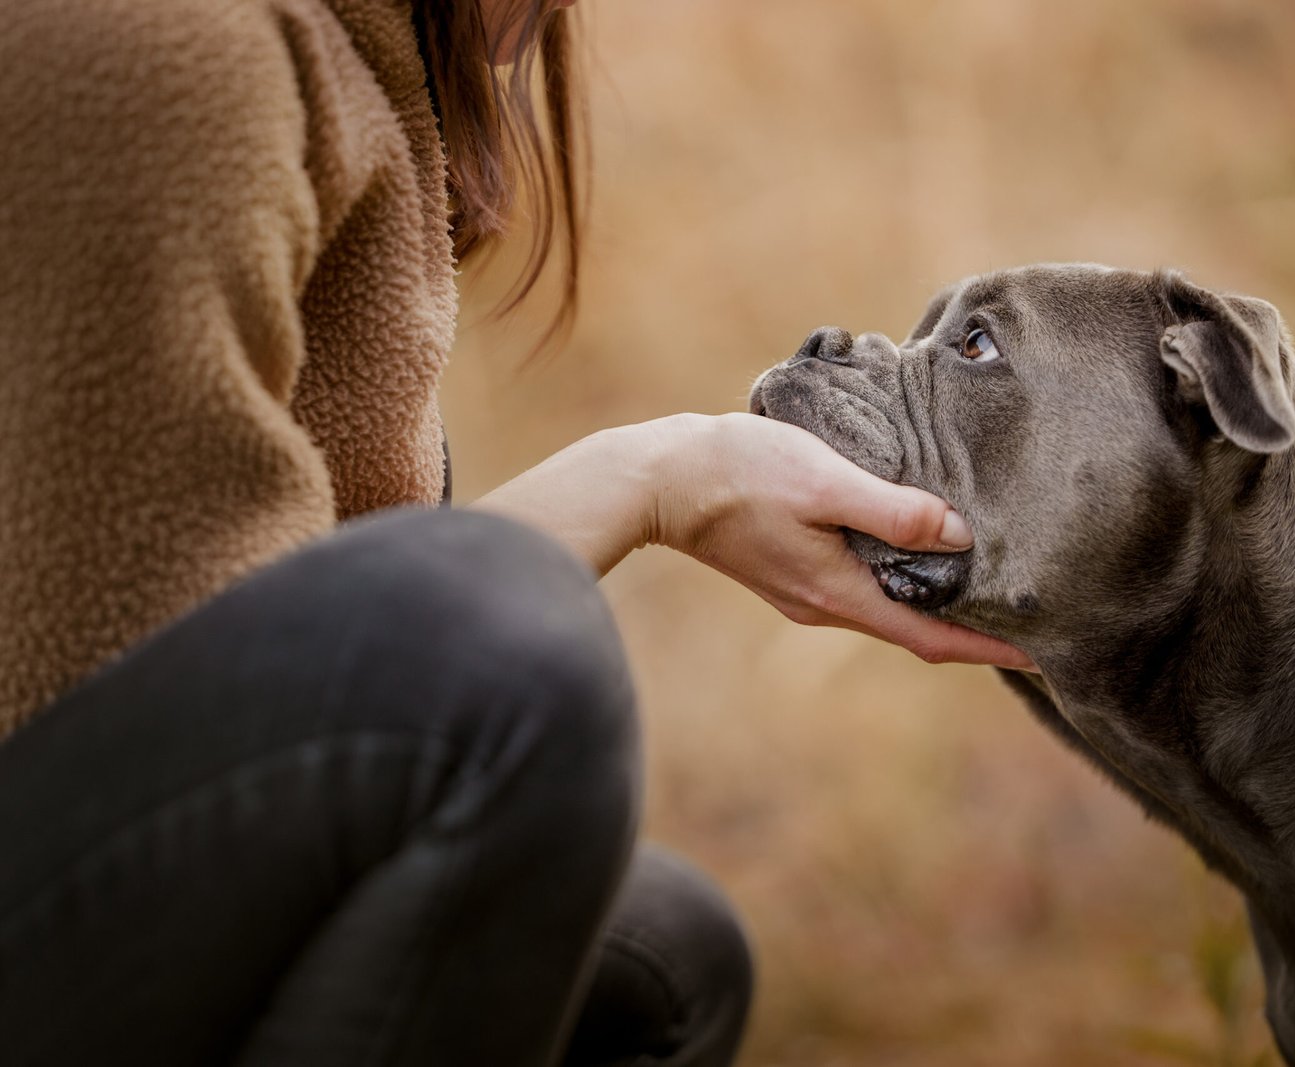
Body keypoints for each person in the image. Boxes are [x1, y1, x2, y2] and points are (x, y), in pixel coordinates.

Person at [0, 0, 1031, 1064]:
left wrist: (671, 474)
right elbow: (148, 706)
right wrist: (639, 483)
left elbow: (297, 685)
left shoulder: (351, 55)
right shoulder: (170, 47)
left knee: (666, 959)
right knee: (507, 669)